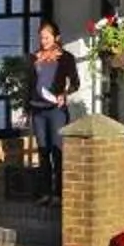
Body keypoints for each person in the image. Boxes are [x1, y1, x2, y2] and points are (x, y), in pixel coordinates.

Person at [23, 22, 81, 199]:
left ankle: (59, 194)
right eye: (41, 37)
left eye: (47, 37)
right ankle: (45, 193)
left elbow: (75, 83)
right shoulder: (34, 58)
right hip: (38, 111)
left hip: (56, 111)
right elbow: (29, 85)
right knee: (43, 151)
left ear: (57, 38)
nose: (43, 41)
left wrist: (64, 94)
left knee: (57, 151)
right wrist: (27, 109)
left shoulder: (66, 58)